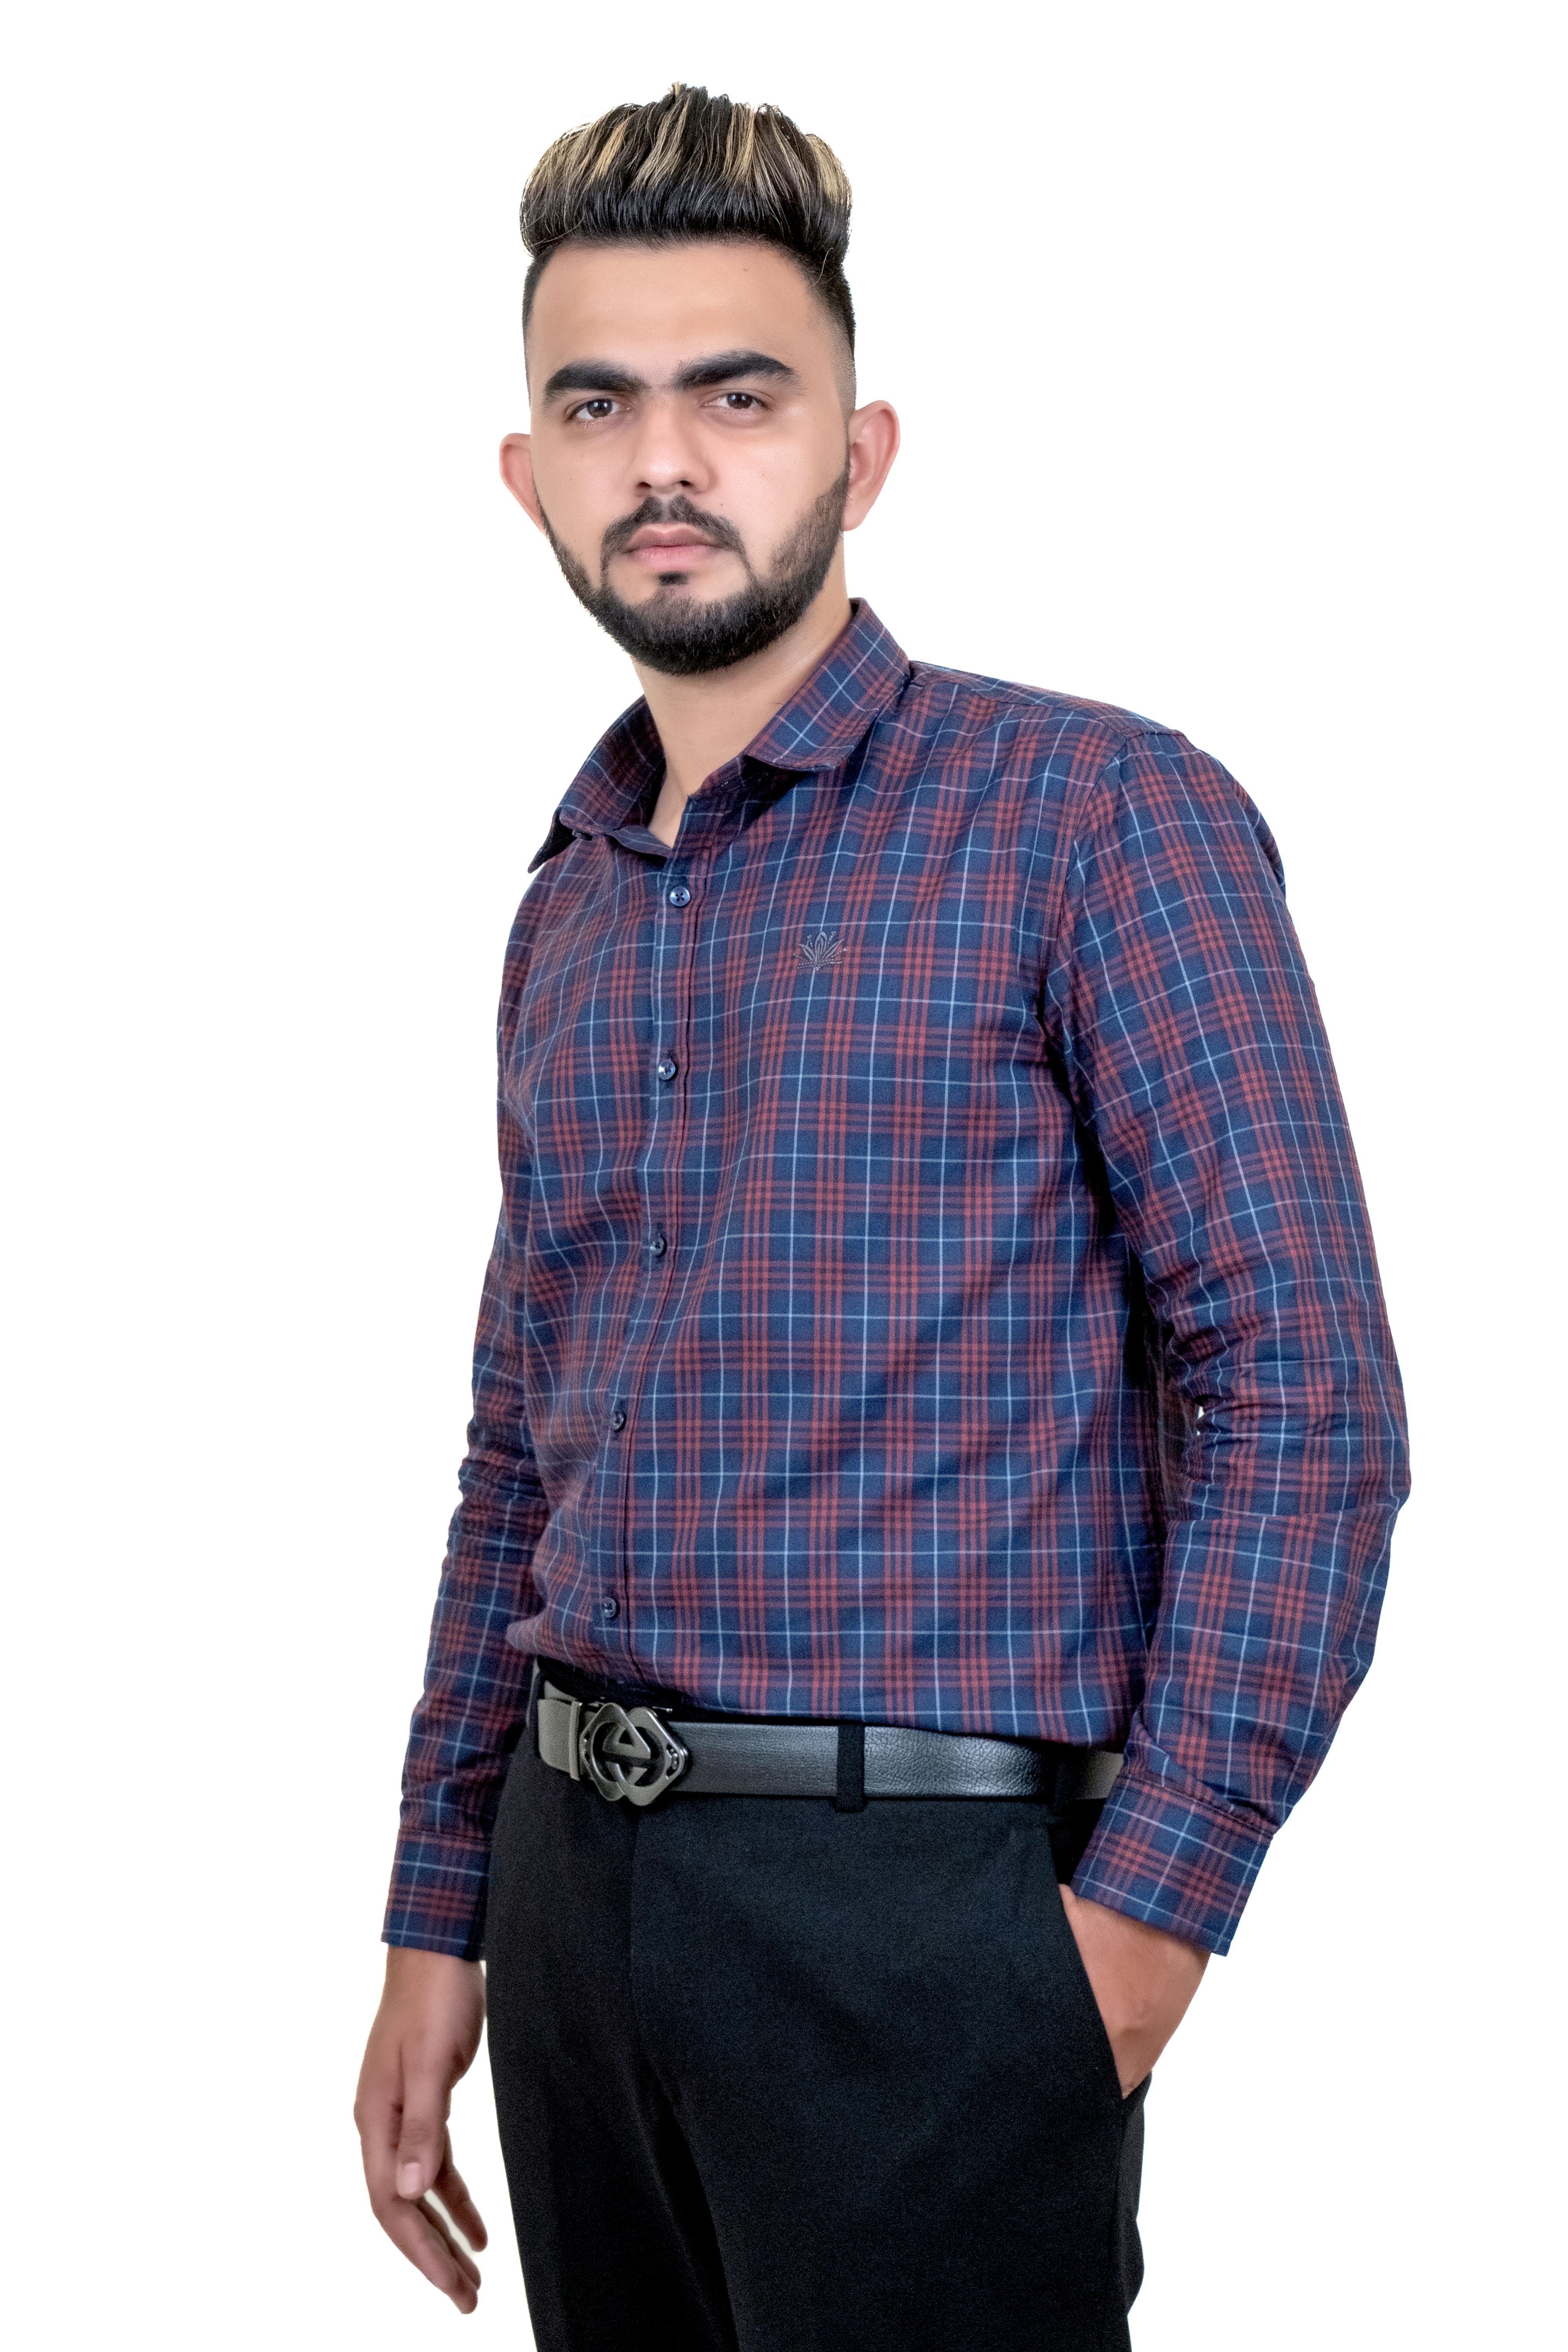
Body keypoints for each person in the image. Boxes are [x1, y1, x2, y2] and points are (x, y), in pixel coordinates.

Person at [354, 83, 1409, 2350]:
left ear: (865, 446)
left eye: (738, 396)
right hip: (573, 1901)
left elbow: (1304, 1394)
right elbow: (517, 1449)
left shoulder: (1098, 816)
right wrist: (442, 1911)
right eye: (598, 405)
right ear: (526, 476)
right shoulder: (567, 906)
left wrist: (1142, 1930)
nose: (666, 459)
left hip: (928, 1922)